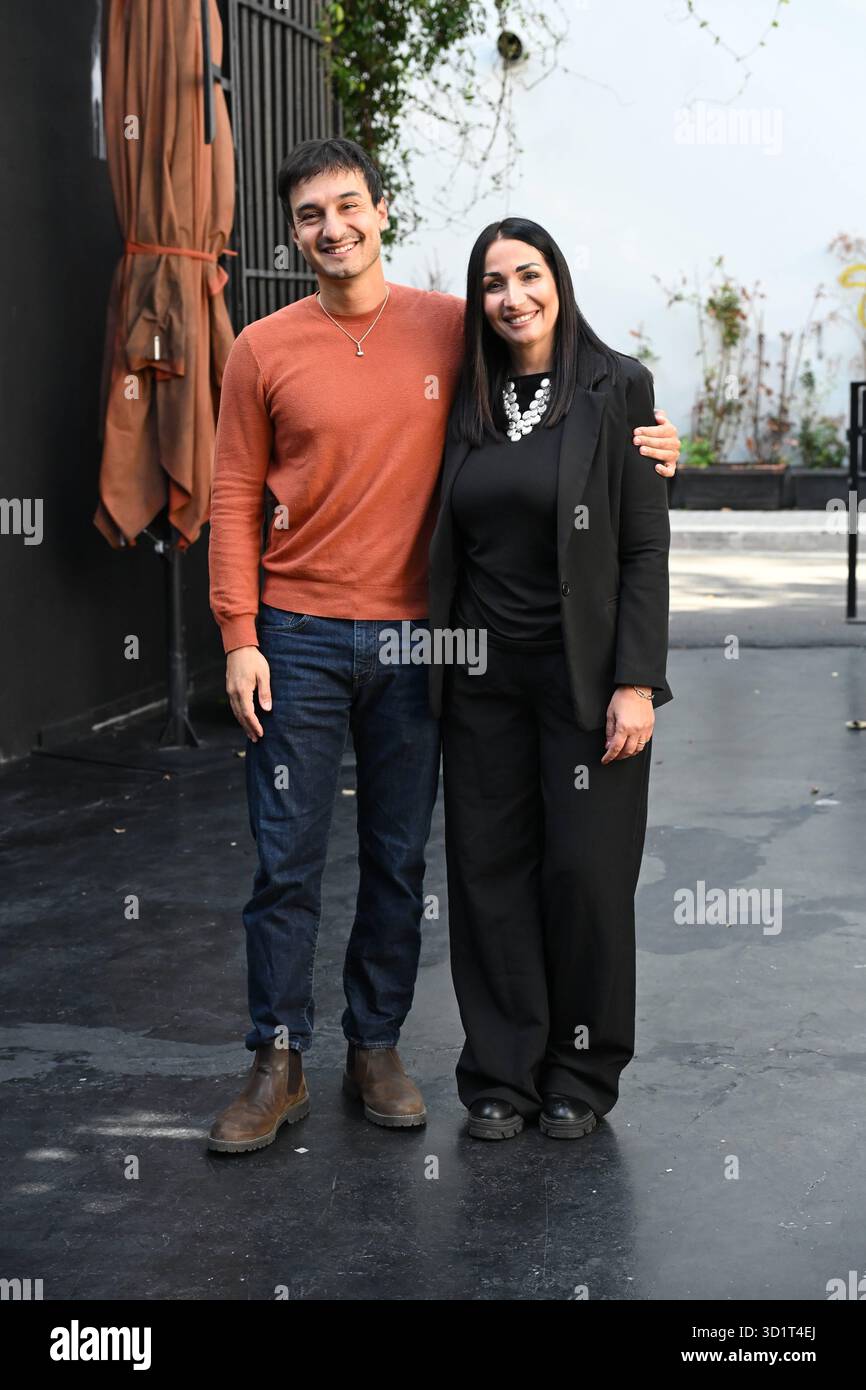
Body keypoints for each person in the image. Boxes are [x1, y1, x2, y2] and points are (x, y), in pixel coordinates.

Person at [206, 139, 680, 1154]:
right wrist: (238, 635)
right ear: (292, 236)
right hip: (312, 637)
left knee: (405, 856)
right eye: (308, 217)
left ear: (381, 212)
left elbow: (590, 422)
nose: (331, 228)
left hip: (425, 644)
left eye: (347, 207)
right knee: (298, 863)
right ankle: (278, 1061)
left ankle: (379, 1045)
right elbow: (234, 494)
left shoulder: (453, 329)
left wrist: (655, 442)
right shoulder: (265, 349)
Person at [428, 217, 672, 1141]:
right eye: (492, 283)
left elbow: (644, 544)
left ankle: (581, 1068)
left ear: (558, 281)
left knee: (587, 876)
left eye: (527, 275)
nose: (512, 296)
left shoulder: (618, 386)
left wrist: (637, 680)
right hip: (478, 678)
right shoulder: (464, 393)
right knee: (489, 874)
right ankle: (502, 1071)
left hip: (588, 679)